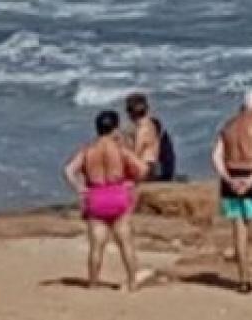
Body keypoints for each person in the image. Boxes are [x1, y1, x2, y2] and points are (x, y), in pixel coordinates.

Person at [64, 109, 147, 291]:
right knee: (125, 243)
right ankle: (132, 282)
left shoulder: (88, 150)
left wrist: (80, 188)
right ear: (115, 128)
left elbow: (69, 170)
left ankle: (93, 283)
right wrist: (132, 183)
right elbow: (142, 169)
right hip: (117, 194)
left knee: (96, 246)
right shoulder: (119, 149)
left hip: (96, 196)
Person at [213, 90, 252, 294]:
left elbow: (216, 157)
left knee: (239, 230)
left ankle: (243, 279)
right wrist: (251, 179)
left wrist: (229, 179)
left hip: (232, 175)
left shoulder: (228, 127)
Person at [123, 91, 175, 182]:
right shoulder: (153, 124)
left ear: (129, 112)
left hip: (150, 171)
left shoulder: (144, 128)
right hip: (159, 169)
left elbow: (135, 155)